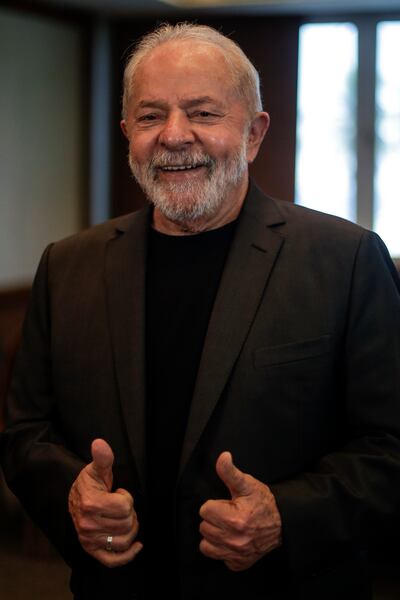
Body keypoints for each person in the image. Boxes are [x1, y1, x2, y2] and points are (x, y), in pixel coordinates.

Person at [1, 21, 400, 600]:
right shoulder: (67, 266)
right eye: (150, 116)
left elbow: (389, 445)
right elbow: (24, 433)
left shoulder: (346, 260)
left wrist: (285, 516)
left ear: (254, 133)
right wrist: (71, 494)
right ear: (127, 135)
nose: (173, 135)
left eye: (203, 113)